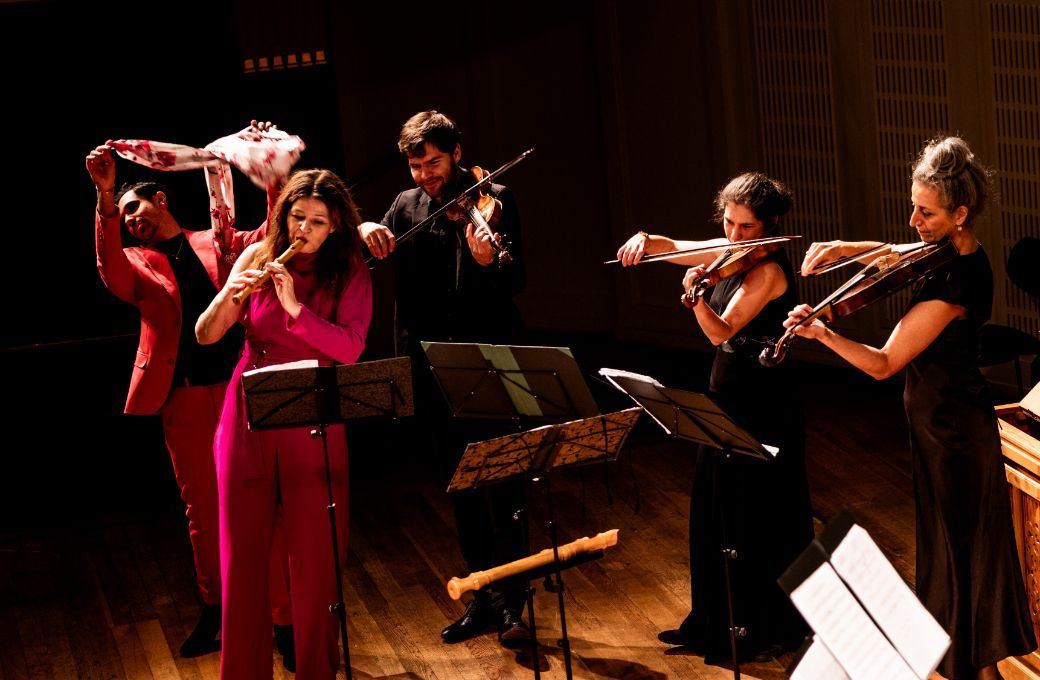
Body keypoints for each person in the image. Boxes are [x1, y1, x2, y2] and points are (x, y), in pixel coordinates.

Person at [790, 136, 1036, 680]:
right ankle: (971, 667)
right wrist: (841, 247)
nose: (912, 220)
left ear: (960, 213)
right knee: (954, 555)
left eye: (925, 211)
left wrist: (820, 333)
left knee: (962, 556)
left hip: (954, 434)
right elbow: (894, 253)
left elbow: (882, 364)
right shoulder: (952, 250)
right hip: (938, 427)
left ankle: (977, 670)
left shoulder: (955, 282)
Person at [85, 131, 293, 659]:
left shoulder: (216, 241)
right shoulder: (136, 263)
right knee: (203, 510)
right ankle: (218, 613)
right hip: (184, 399)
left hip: (239, 390)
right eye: (125, 216)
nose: (133, 220)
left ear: (162, 199)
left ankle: (282, 621)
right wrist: (107, 198)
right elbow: (109, 268)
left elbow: (271, 235)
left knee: (262, 501)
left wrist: (272, 178)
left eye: (136, 207)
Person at [615, 172, 814, 663]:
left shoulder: (768, 273)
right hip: (726, 398)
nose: (734, 237)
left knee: (753, 519)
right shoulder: (730, 250)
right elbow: (676, 246)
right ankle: (710, 619)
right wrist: (646, 239)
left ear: (769, 227)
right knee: (713, 510)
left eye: (747, 228)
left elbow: (720, 333)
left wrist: (696, 299)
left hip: (763, 407)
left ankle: (757, 627)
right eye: (728, 223)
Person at [359, 110, 531, 648]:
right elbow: (372, 244)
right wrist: (366, 229)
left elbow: (517, 276)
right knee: (460, 486)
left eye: (434, 163)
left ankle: (514, 606)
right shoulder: (407, 206)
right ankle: (484, 599)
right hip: (430, 363)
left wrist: (488, 261)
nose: (426, 176)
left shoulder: (493, 198)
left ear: (457, 152)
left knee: (502, 485)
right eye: (416, 166)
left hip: (489, 356)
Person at [196, 168, 372, 680]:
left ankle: (316, 670)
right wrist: (232, 290)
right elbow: (207, 336)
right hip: (248, 410)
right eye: (297, 216)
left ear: (336, 225)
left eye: (318, 221)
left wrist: (294, 307)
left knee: (316, 563)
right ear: (283, 215)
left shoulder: (350, 271)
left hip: (314, 414)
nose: (305, 229)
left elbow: (351, 349)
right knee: (242, 557)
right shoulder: (257, 256)